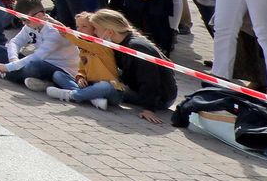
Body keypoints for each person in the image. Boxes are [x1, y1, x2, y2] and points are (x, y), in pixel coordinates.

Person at [47, 9, 176, 124]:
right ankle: (92, 97)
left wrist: (148, 109)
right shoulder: (119, 42)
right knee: (68, 76)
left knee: (106, 86)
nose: (94, 32)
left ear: (109, 32)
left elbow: (150, 80)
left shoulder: (136, 46)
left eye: (96, 29)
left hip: (159, 97)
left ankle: (74, 95)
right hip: (135, 85)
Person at [0, 0, 78, 91]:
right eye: (21, 20)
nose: (24, 23)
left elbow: (37, 56)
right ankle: (32, 79)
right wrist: (13, 60)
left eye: (25, 20)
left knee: (33, 66)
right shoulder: (31, 24)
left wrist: (9, 67)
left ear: (39, 16)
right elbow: (15, 42)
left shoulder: (54, 31)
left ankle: (6, 74)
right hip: (40, 61)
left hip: (60, 68)